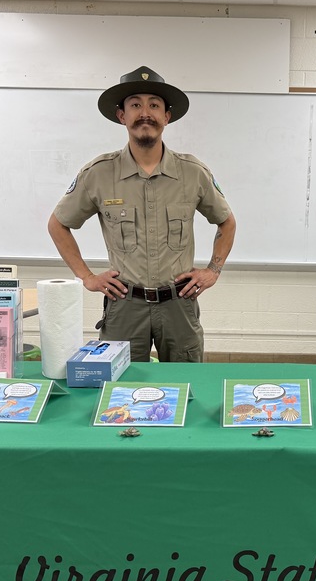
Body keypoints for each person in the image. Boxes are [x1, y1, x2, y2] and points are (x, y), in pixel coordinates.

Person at [48, 66, 237, 363]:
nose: (144, 113)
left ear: (166, 117)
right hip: (125, 305)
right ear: (122, 116)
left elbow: (226, 221)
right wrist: (86, 277)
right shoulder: (98, 174)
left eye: (154, 105)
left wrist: (213, 270)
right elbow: (58, 224)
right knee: (119, 392)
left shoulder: (193, 173)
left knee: (185, 384)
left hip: (179, 305)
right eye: (135, 104)